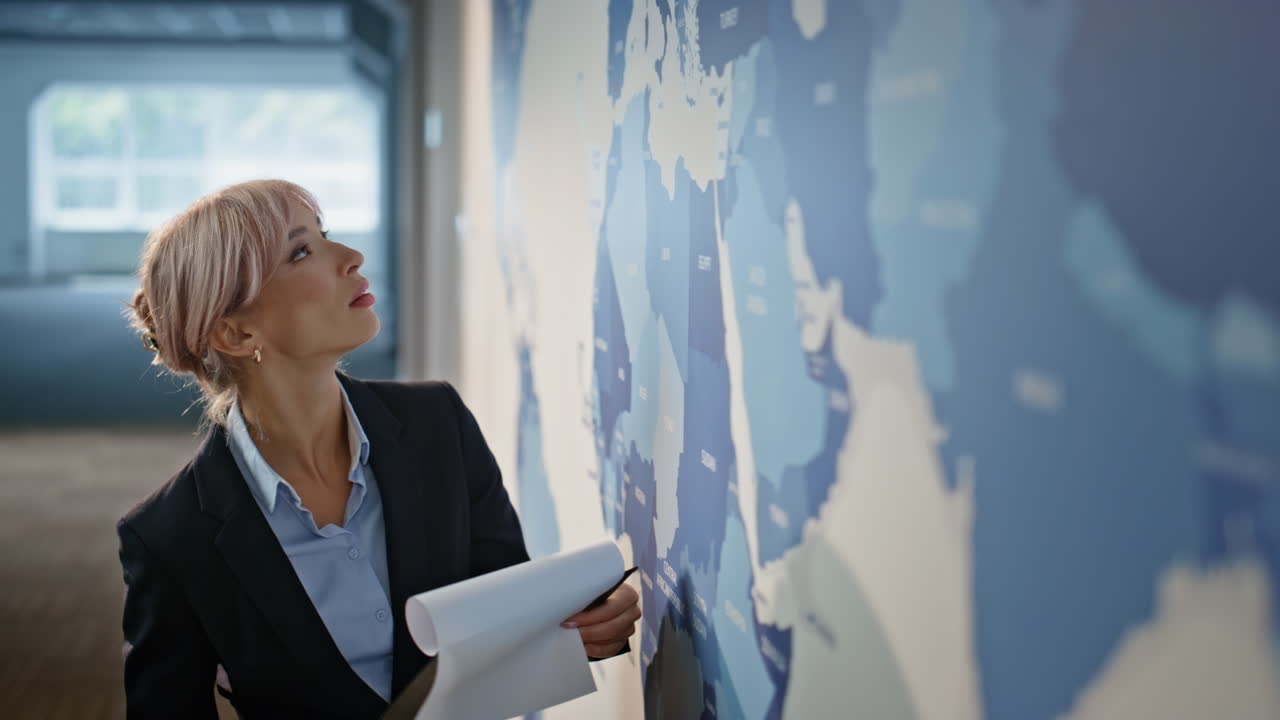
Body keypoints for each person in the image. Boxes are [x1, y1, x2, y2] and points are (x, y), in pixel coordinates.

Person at [118, 179, 641, 719]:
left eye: (325, 236)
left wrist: (588, 621)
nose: (351, 257)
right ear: (236, 334)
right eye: (301, 252)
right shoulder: (170, 535)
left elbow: (505, 604)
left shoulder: (438, 425)